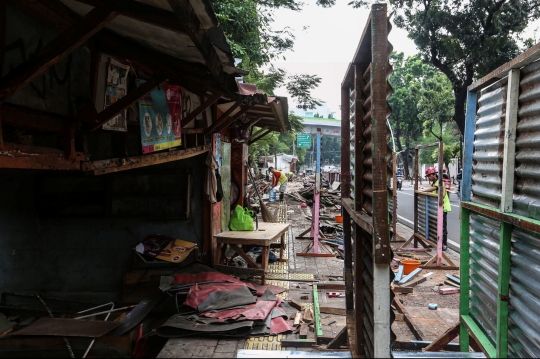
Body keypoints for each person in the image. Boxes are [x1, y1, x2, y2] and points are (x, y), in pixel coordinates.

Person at [422, 167, 451, 251]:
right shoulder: (434, 183)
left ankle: (444, 244)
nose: (428, 177)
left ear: (434, 174)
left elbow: (434, 189)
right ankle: (435, 242)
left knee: (442, 227)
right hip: (437, 207)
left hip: (443, 206)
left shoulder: (440, 182)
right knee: (435, 225)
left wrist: (423, 192)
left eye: (429, 176)